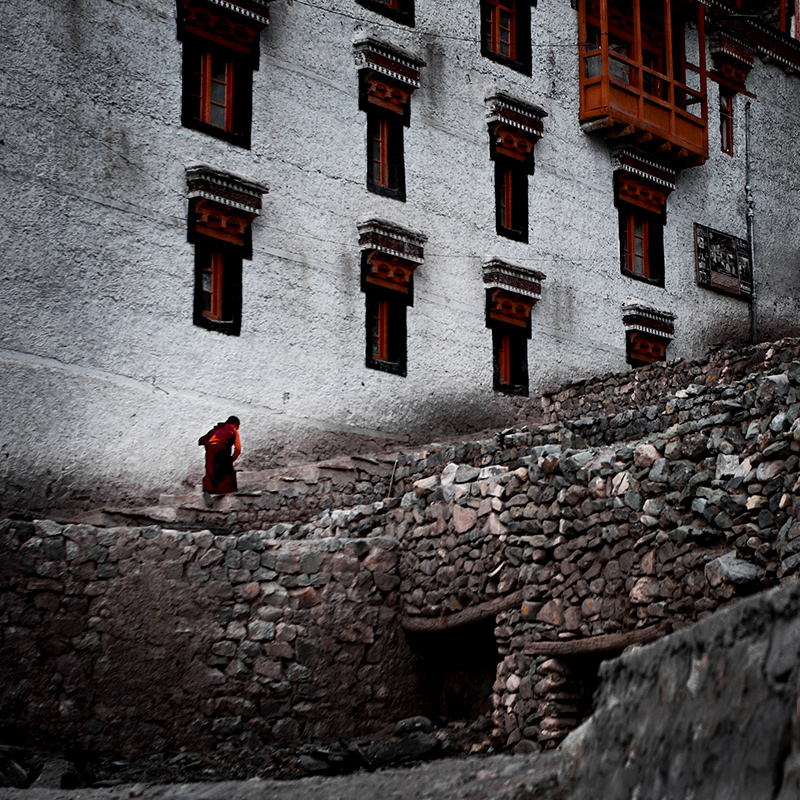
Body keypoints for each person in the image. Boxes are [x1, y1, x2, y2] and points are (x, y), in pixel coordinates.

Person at [199, 415, 241, 505]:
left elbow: (207, 439)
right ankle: (223, 490)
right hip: (221, 447)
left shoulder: (219, 429)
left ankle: (207, 490)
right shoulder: (233, 430)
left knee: (210, 470)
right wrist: (232, 459)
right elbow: (238, 449)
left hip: (210, 448)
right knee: (227, 470)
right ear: (236, 424)